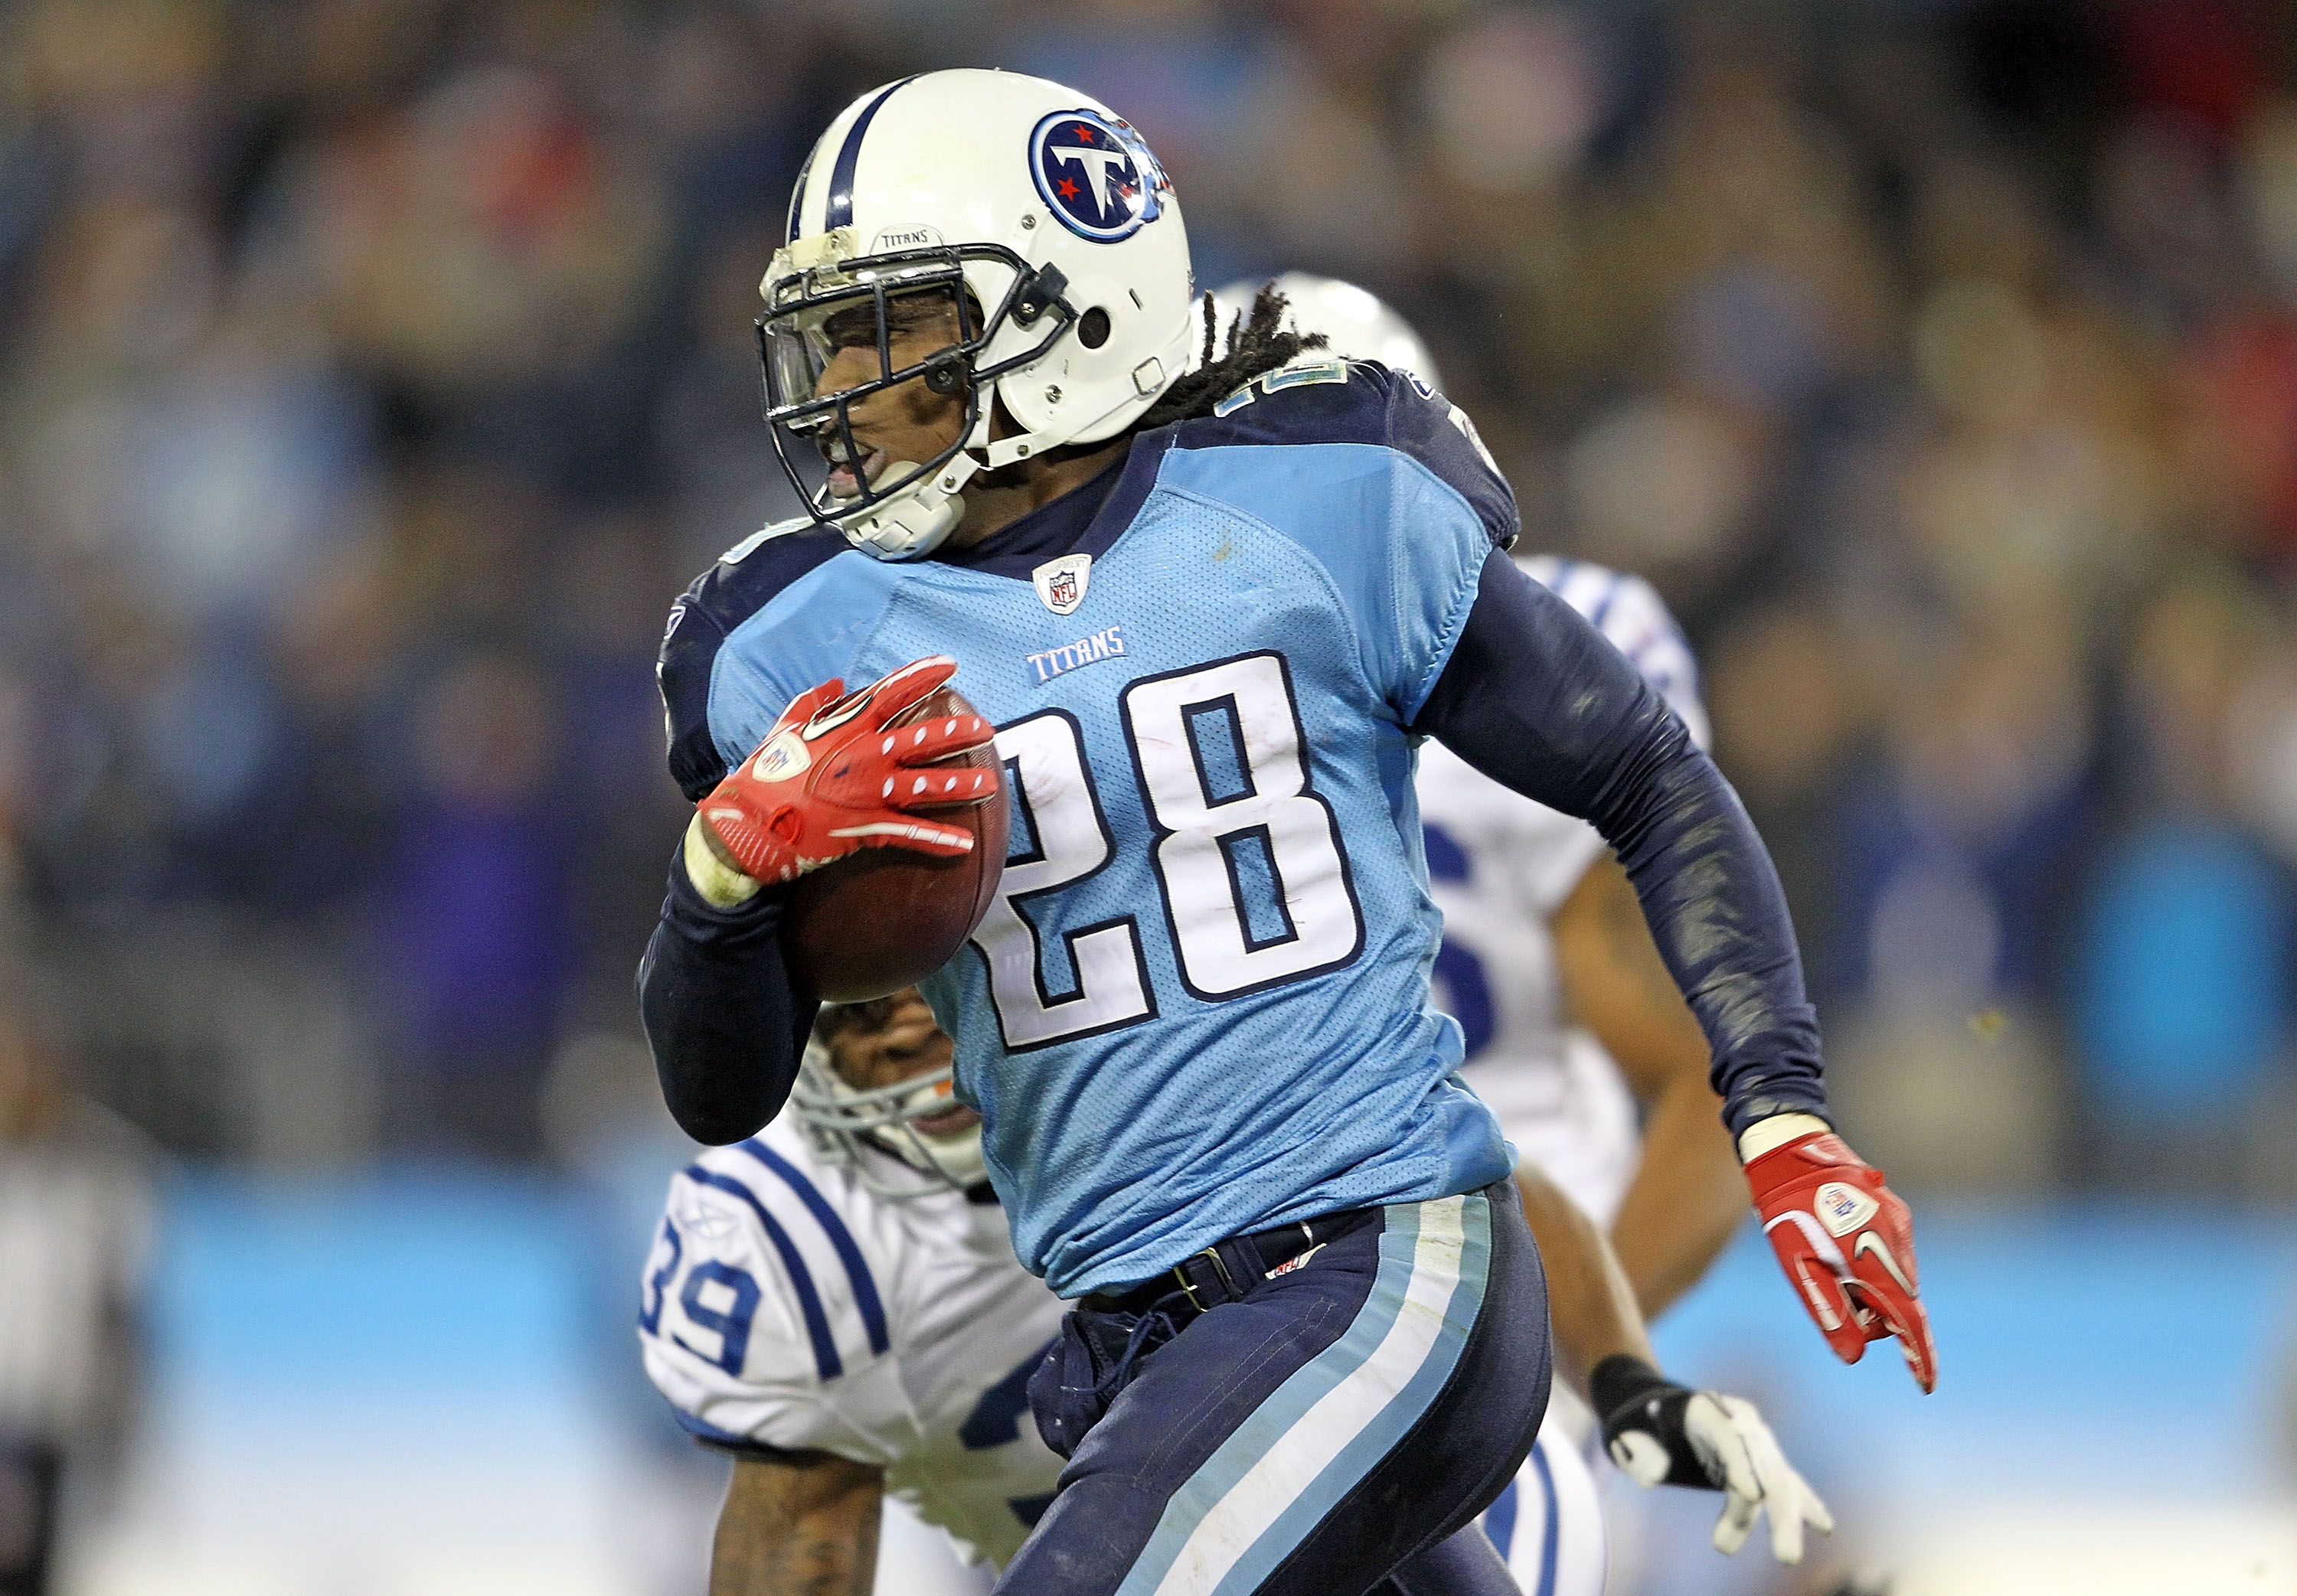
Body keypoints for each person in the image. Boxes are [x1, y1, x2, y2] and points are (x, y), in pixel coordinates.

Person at [639, 68, 1933, 1596]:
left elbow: (1644, 772)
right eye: (833, 332)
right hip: (1141, 1332)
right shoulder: (791, 629)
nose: (842, 379)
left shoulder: (1315, 501)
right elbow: (720, 1092)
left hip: (1389, 1261)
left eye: (893, 324)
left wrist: (1776, 1102)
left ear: (1067, 305)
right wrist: (720, 880)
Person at [641, 993, 1828, 1594]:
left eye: (931, 996)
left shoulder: (1162, 1053)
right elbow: (801, 1538)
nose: (917, 1041)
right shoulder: (791, 1232)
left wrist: (1626, 1379)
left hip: (1416, 1513)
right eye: (865, 1018)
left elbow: (1471, 1181)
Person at [1207, 278, 1746, 1590]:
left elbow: (1701, 1084)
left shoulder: (1537, 671)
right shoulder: (1135, 713)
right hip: (1235, 1306)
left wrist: (1580, 1365)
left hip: (1489, 1280)